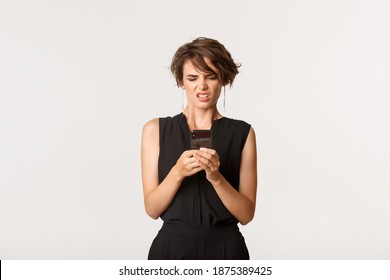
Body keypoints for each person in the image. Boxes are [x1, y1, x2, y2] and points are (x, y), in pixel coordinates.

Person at [141, 37, 257, 260]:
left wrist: (216, 177)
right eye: (192, 78)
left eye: (210, 77)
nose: (201, 86)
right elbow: (152, 209)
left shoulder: (243, 133)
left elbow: (246, 215)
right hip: (171, 249)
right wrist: (178, 172)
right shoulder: (154, 130)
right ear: (181, 82)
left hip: (226, 250)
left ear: (222, 79)